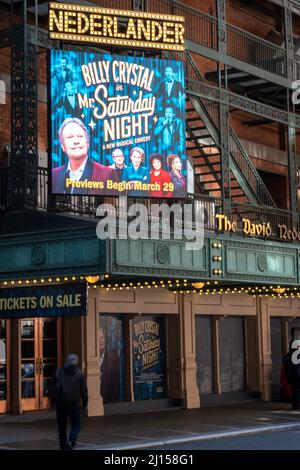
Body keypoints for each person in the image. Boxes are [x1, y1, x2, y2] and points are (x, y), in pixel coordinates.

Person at [52, 118, 118, 195]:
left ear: (87, 143)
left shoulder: (107, 173)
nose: (76, 141)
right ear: (63, 146)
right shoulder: (53, 175)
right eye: (70, 137)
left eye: (80, 136)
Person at [48, 354, 88, 450]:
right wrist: (85, 403)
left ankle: (63, 447)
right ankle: (71, 441)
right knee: (76, 424)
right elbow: (84, 391)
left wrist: (52, 401)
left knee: (62, 427)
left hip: (61, 403)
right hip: (74, 404)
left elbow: (51, 387)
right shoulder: (80, 374)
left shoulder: (59, 372)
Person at [99, 328, 120, 404]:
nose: (100, 341)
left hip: (110, 403)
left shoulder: (113, 359)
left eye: (102, 338)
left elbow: (116, 384)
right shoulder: (90, 358)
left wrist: (112, 402)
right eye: (98, 338)